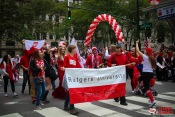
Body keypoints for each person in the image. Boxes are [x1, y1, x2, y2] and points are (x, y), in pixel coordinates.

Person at [136, 40, 156, 108]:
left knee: (146, 87)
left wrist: (136, 43)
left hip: (145, 73)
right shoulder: (152, 57)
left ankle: (152, 100)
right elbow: (149, 49)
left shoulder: (145, 57)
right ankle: (151, 98)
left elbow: (138, 51)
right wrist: (149, 43)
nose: (144, 50)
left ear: (146, 52)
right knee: (147, 86)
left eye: (145, 50)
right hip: (150, 73)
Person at [63, 45, 81, 115]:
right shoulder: (67, 57)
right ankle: (71, 108)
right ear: (72, 50)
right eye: (75, 49)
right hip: (68, 77)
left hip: (73, 77)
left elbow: (78, 67)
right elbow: (65, 66)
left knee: (69, 92)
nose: (76, 50)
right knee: (71, 92)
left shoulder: (75, 58)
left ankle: (65, 105)